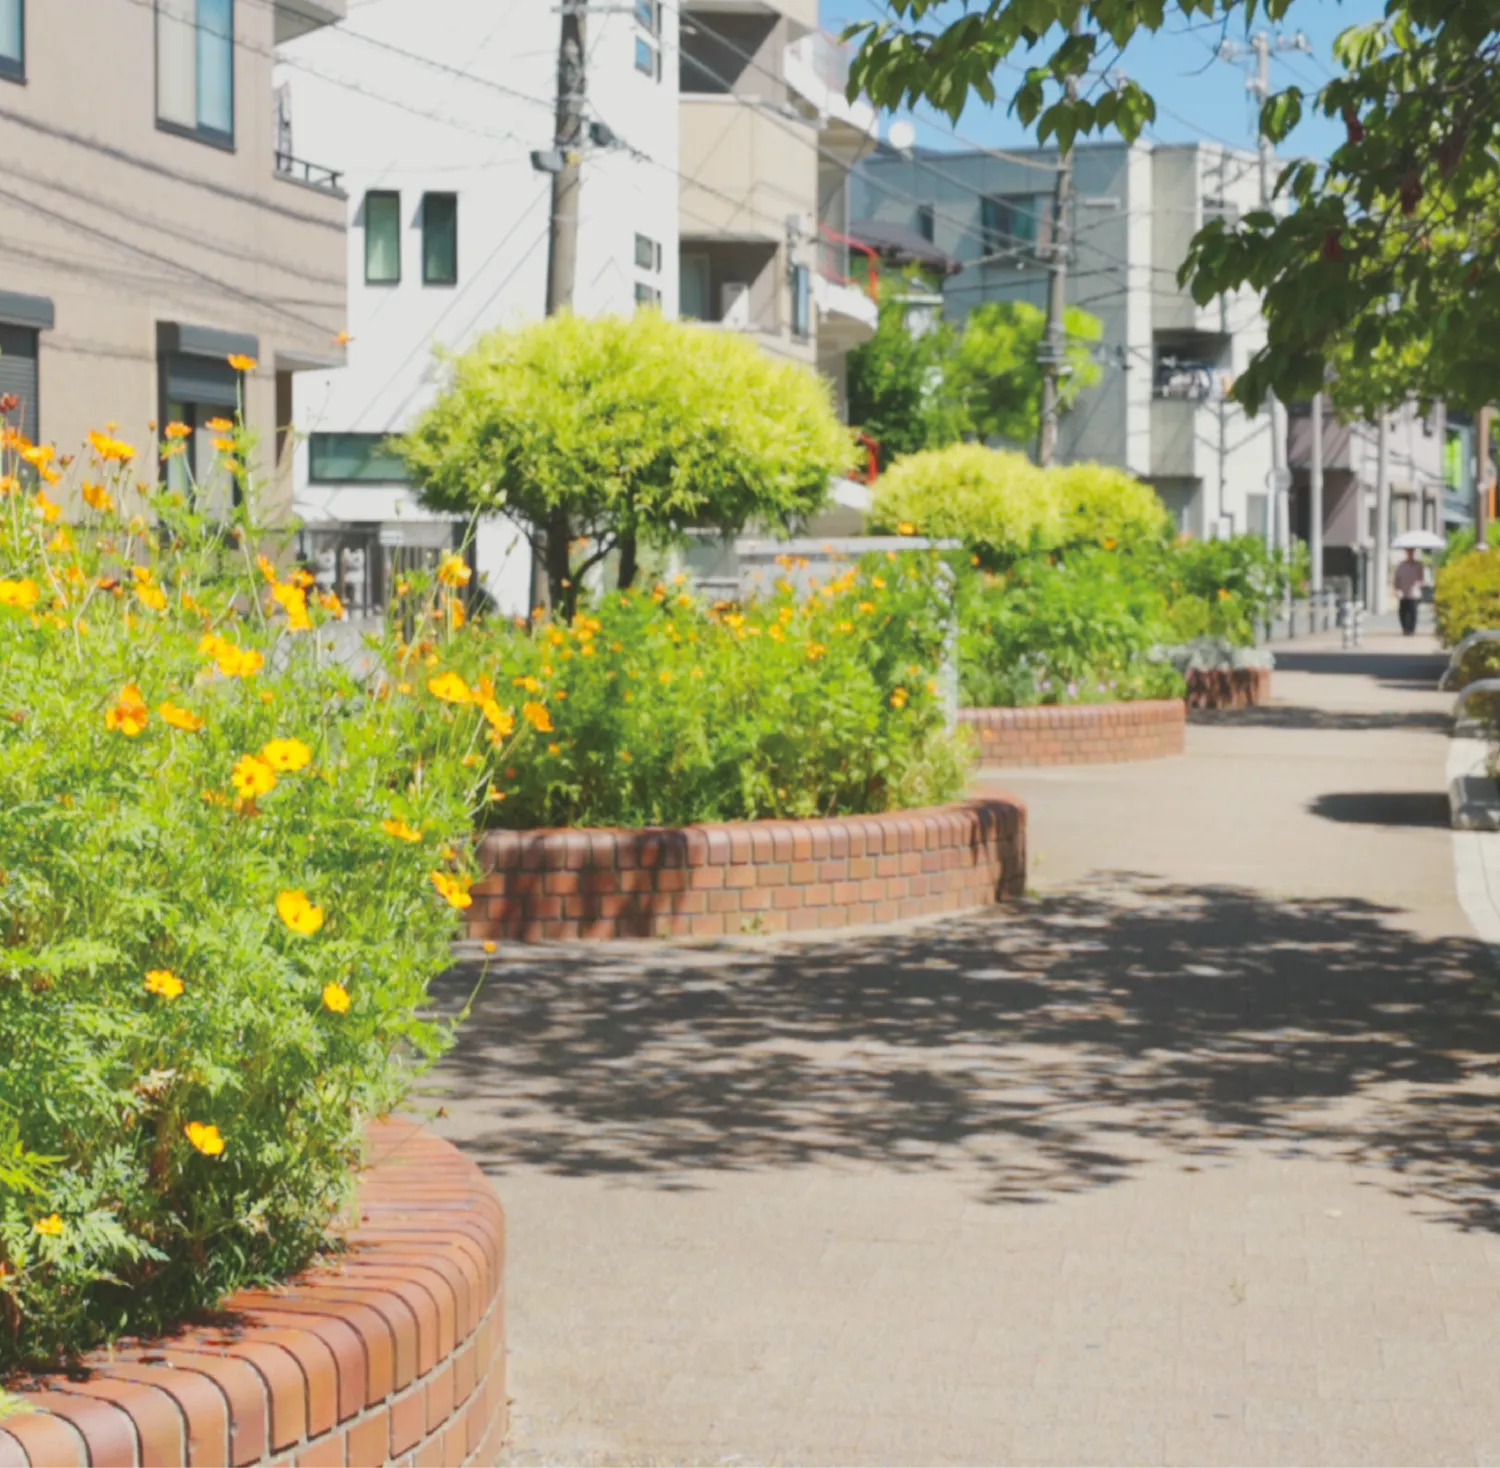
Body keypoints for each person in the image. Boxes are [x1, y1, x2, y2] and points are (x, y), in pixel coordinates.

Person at [1394, 548, 1425, 636]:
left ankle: (1411, 630)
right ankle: (1405, 629)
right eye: (1408, 552)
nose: (1410, 553)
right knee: (1402, 613)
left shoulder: (1418, 566)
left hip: (1414, 594)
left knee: (1413, 613)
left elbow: (1421, 579)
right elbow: (1397, 579)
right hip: (1403, 593)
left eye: (1412, 552)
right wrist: (1397, 589)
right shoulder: (1401, 565)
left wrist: (1417, 584)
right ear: (1406, 553)